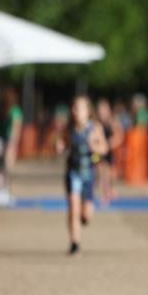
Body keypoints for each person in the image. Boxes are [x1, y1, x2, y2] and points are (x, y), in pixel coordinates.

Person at [56, 96, 109, 255]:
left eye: (78, 108)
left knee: (85, 214)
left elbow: (104, 148)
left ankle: (84, 217)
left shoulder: (95, 128)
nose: (75, 111)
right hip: (72, 172)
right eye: (73, 108)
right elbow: (62, 143)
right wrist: (60, 147)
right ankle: (74, 242)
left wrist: (95, 146)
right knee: (73, 206)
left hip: (88, 174)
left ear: (87, 112)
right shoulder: (69, 128)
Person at [96, 98, 125, 204]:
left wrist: (109, 145)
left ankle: (108, 193)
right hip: (99, 152)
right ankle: (107, 192)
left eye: (104, 110)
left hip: (109, 152)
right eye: (100, 110)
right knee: (100, 171)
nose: (102, 112)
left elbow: (119, 136)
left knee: (107, 173)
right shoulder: (97, 123)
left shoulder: (112, 122)